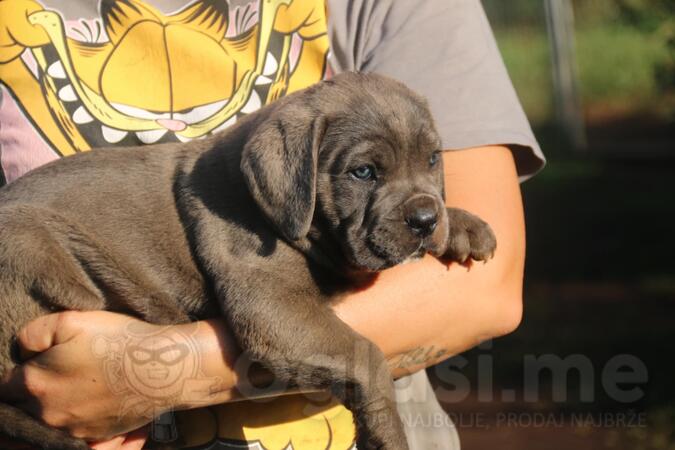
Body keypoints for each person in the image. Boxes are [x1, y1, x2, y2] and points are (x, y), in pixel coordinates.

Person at [0, 0, 544, 448]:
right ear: (291, 178)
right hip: (36, 303)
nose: (423, 202)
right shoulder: (251, 223)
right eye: (363, 171)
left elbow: (488, 294)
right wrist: (369, 383)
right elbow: (272, 324)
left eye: (429, 160)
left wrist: (151, 370)